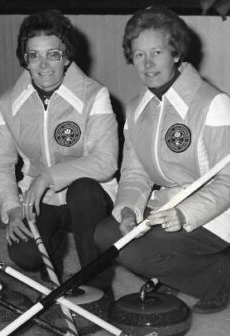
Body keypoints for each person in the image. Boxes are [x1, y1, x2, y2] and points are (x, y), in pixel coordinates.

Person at [95, 5, 230, 313]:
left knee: (137, 254)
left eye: (157, 52)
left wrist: (184, 214)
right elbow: (134, 172)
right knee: (108, 233)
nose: (148, 63)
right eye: (139, 54)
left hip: (218, 210)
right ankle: (184, 267)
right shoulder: (136, 109)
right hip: (168, 205)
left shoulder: (214, 103)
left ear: (176, 53)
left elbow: (229, 179)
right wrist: (129, 208)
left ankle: (220, 276)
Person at [0, 10, 118, 293]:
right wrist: (11, 208)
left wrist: (48, 176)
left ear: (67, 57)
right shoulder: (8, 103)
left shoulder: (95, 95)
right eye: (34, 56)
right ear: (25, 59)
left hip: (89, 197)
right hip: (37, 198)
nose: (44, 65)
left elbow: (105, 162)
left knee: (83, 192)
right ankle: (53, 250)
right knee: (25, 254)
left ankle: (99, 286)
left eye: (53, 55)